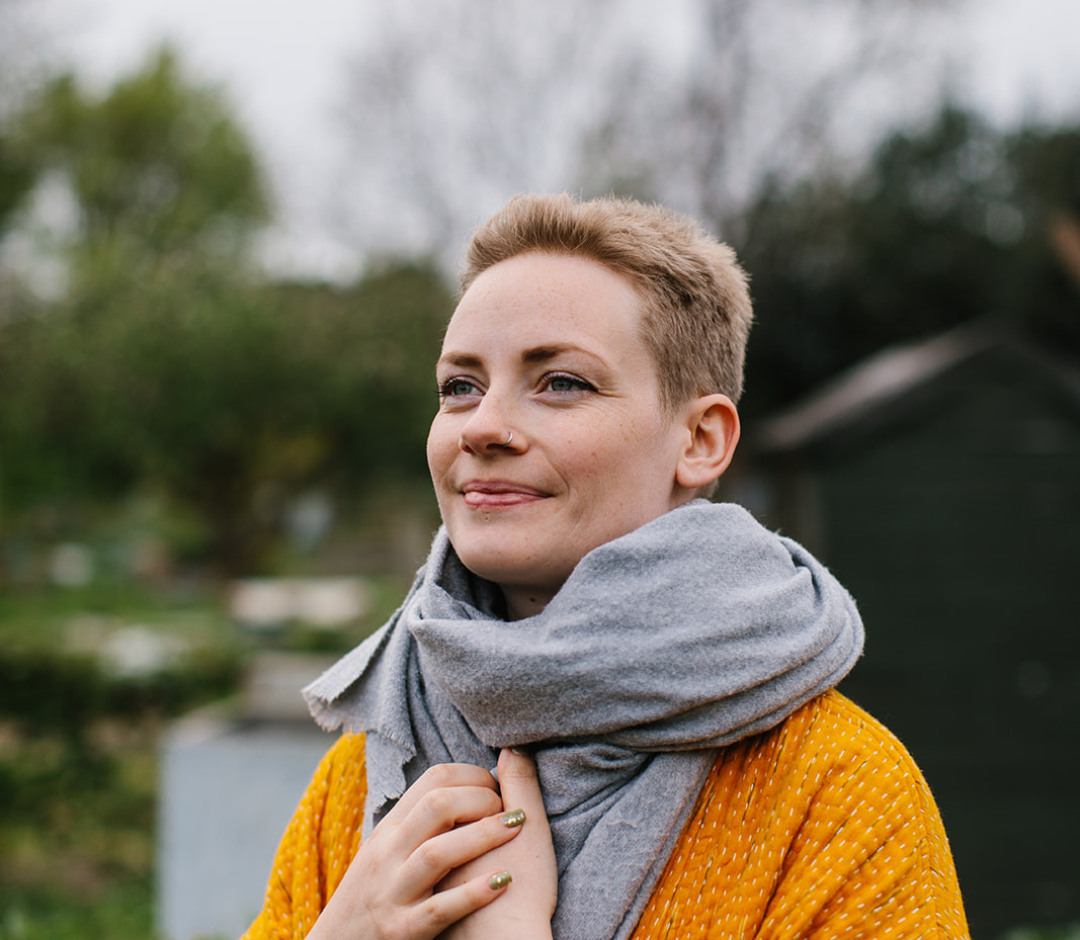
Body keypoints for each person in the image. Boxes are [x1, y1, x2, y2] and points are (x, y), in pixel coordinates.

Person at [241, 194, 969, 940]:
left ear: (700, 441)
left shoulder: (840, 799)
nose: (484, 424)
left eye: (561, 382)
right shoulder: (366, 774)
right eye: (461, 386)